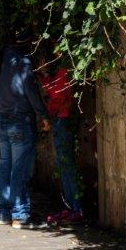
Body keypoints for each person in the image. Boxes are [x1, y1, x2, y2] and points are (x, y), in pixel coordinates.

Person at [0, 33, 50, 229]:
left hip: (2, 119)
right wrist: (43, 114)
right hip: (20, 120)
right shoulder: (22, 62)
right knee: (20, 170)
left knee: (5, 168)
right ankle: (21, 215)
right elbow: (30, 90)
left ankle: (5, 213)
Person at [38, 57, 83, 224]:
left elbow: (56, 92)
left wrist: (44, 74)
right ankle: (70, 207)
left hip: (63, 120)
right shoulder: (59, 68)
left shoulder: (64, 69)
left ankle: (76, 208)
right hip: (59, 119)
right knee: (63, 165)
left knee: (67, 164)